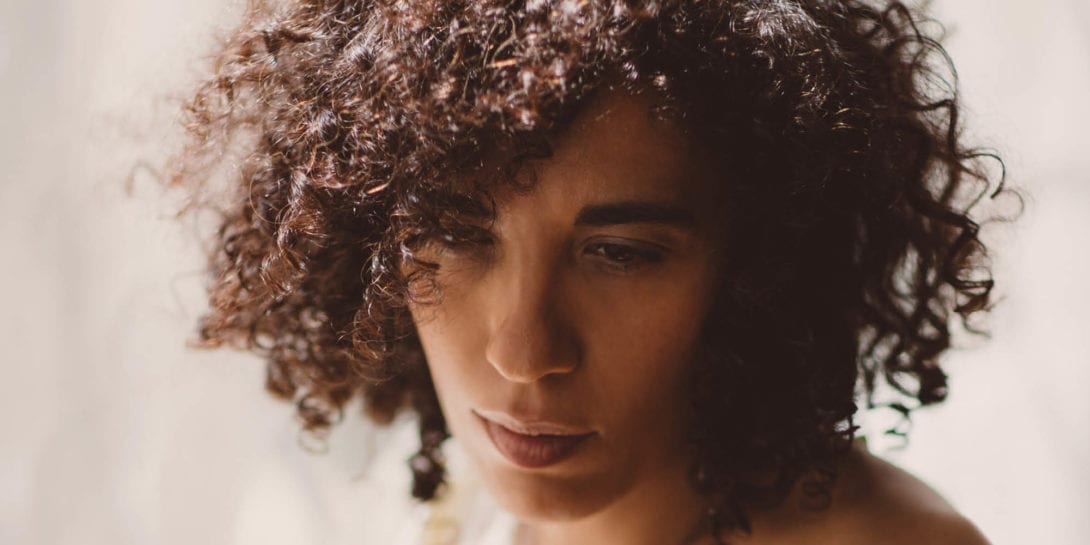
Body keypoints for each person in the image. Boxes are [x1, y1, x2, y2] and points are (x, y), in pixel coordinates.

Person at [169, 1, 1014, 543]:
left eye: (620, 253)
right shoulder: (446, 505)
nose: (523, 353)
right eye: (455, 233)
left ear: (760, 264)